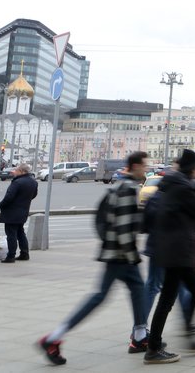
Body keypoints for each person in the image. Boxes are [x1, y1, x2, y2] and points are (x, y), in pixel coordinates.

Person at [39, 153, 150, 366]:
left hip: (114, 252)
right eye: (144, 166)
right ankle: (53, 338)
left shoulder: (119, 185)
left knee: (137, 288)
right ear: (135, 166)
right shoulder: (128, 189)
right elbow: (124, 228)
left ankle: (139, 336)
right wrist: (132, 255)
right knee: (99, 297)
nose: (146, 169)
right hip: (120, 255)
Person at [146, 149, 195, 364]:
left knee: (181, 293)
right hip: (178, 250)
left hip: (170, 248)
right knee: (174, 296)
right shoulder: (183, 187)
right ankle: (155, 347)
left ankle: (176, 337)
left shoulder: (168, 185)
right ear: (192, 169)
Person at [142, 165, 193, 323]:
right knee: (172, 286)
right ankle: (140, 328)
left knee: (166, 286)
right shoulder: (172, 200)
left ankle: (140, 327)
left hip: (155, 249)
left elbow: (144, 226)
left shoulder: (154, 198)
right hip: (167, 251)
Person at [0, 162, 37, 263]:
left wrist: (1, 205)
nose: (14, 172)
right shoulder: (33, 182)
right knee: (20, 233)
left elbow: (9, 197)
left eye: (16, 170)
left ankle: (10, 256)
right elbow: (33, 195)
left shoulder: (17, 182)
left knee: (11, 235)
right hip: (23, 210)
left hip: (11, 212)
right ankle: (24, 253)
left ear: (22, 171)